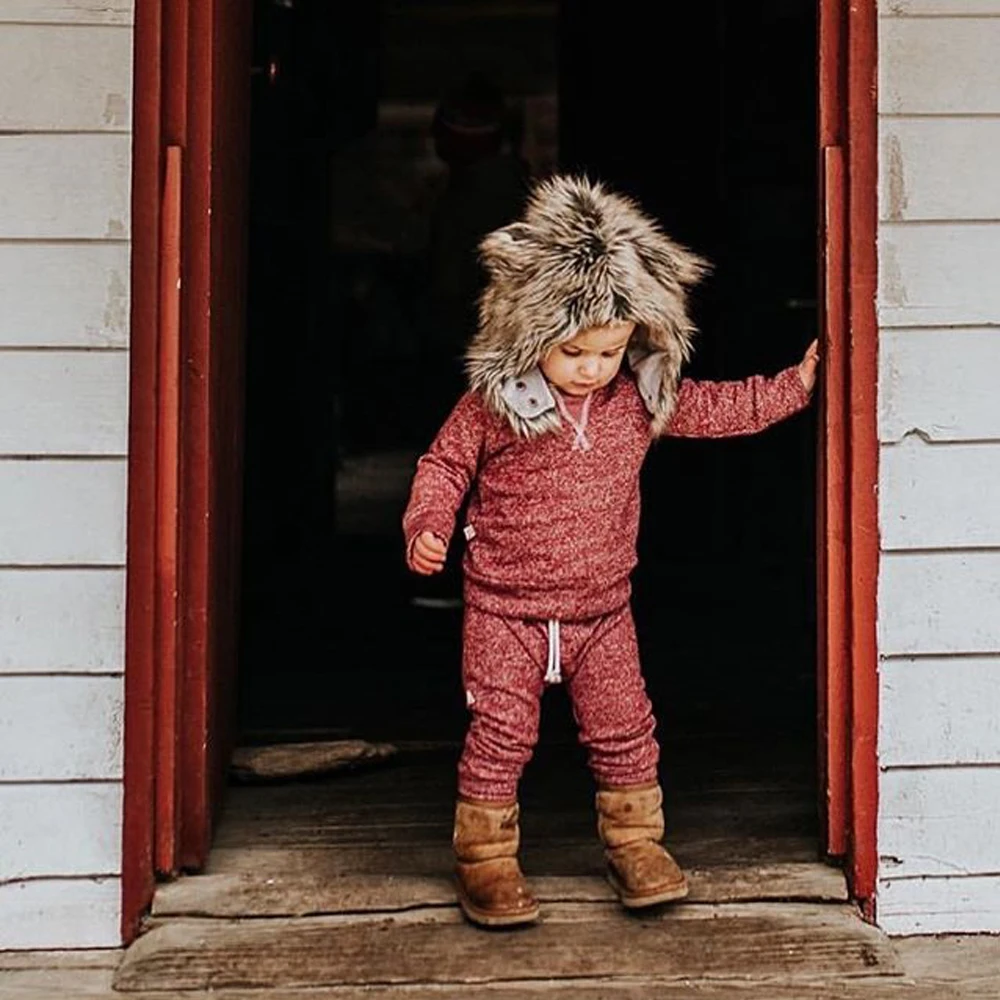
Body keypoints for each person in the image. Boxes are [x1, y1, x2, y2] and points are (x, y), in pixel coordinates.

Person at [401, 174, 819, 928]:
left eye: (610, 350)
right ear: (529, 335)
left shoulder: (636, 402)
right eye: (573, 351)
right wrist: (426, 522)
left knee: (626, 728)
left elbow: (718, 406)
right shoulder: (493, 407)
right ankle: (487, 861)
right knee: (501, 734)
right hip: (506, 612)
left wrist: (793, 387)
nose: (593, 368)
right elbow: (443, 465)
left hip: (603, 614)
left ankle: (636, 843)